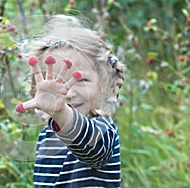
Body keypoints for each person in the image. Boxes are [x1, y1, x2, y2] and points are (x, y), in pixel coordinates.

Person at [15, 15, 124, 187]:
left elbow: (93, 151)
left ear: (102, 84)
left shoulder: (103, 129)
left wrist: (61, 112)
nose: (69, 93)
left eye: (80, 80)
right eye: (57, 83)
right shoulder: (46, 137)